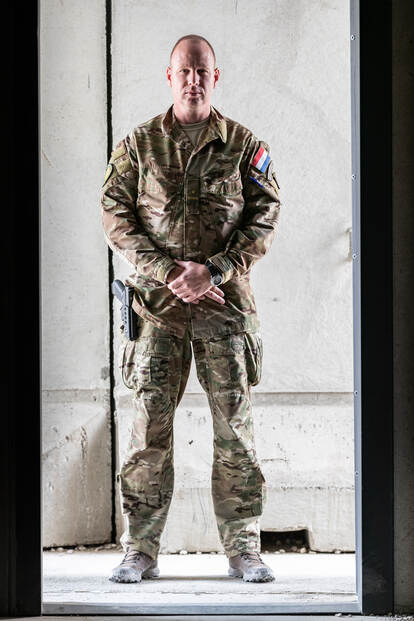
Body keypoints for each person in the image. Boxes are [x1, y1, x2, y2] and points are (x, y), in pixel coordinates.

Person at [100, 34, 281, 584]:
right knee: (148, 433)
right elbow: (114, 215)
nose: (193, 81)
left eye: (202, 71)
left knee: (235, 432)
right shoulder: (139, 146)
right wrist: (169, 272)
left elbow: (265, 216)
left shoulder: (243, 145)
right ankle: (140, 549)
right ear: (170, 76)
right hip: (157, 311)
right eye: (184, 71)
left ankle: (244, 548)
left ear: (215, 76)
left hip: (226, 312)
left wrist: (215, 271)